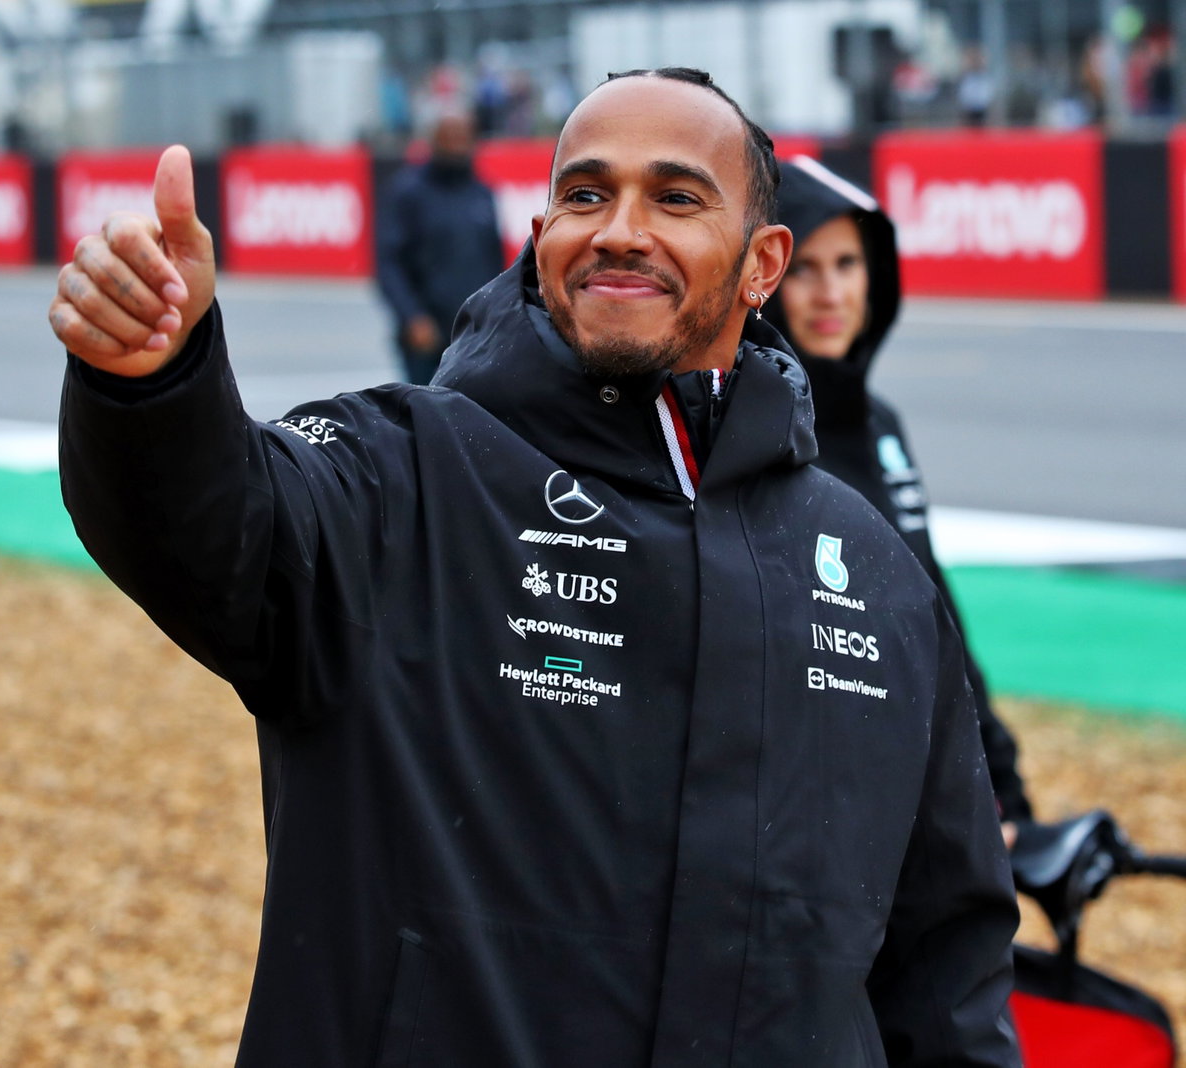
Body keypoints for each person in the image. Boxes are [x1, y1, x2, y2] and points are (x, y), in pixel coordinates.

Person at [50, 68, 1019, 1065]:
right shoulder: (401, 475)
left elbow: (947, 972)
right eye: (585, 194)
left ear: (761, 262)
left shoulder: (873, 575)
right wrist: (154, 384)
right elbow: (214, 528)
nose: (619, 230)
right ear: (542, 232)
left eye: (676, 197)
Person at [762, 157, 1034, 839]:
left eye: (848, 264)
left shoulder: (880, 424)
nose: (830, 293)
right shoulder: (751, 430)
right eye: (804, 269)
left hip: (914, 786)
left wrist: (1001, 782)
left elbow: (930, 606)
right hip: (813, 808)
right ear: (764, 279)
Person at [374, 106, 506, 384]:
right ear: (433, 139)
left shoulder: (482, 193)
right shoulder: (408, 192)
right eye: (450, 135)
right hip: (426, 334)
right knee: (424, 416)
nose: (458, 143)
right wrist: (411, 317)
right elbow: (389, 263)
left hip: (475, 334)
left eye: (464, 135)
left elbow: (495, 262)